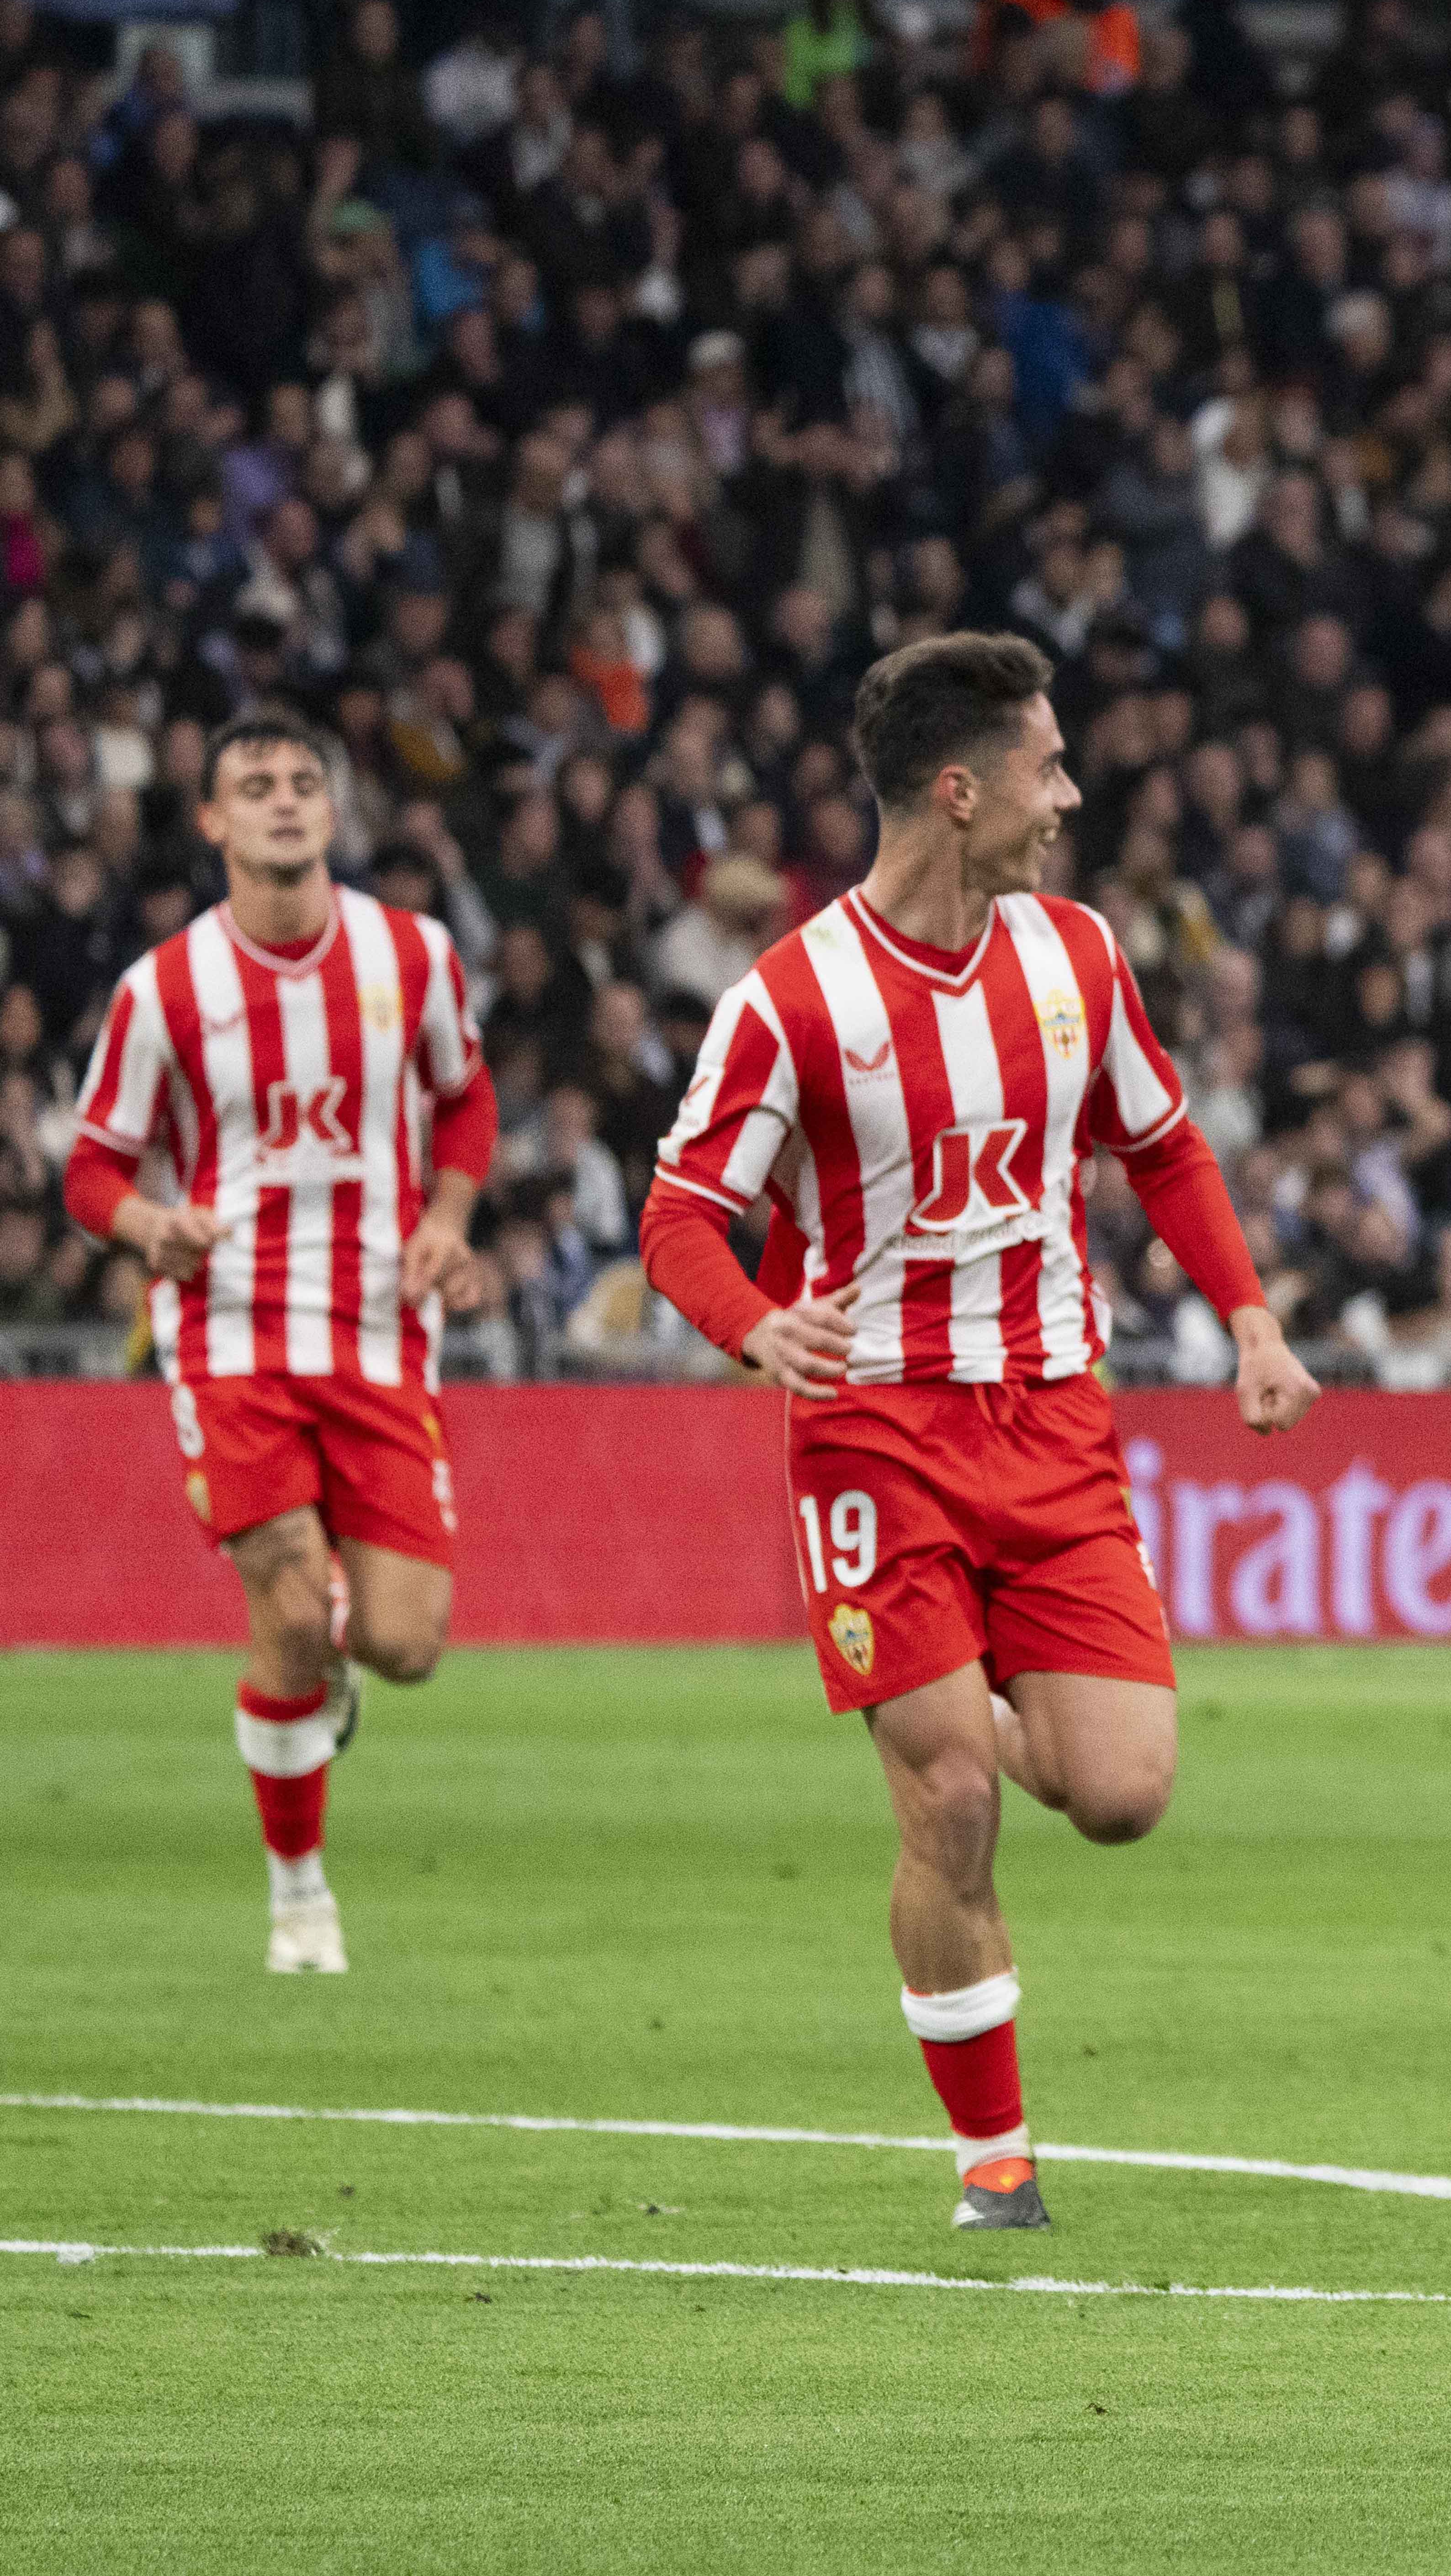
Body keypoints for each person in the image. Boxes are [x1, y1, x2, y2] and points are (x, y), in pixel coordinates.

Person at [638, 634, 1319, 2230]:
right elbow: (680, 1214)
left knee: (1126, 1794)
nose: (1068, 798)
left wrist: (1252, 1317)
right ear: (963, 793)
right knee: (949, 1801)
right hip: (874, 1431)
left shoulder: (1076, 958)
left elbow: (1164, 1151)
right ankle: (994, 2166)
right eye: (1048, 768)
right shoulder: (791, 999)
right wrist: (753, 1324)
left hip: (1055, 1423)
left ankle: (975, 1703)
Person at [63, 712, 498, 1975]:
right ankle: (300, 1893)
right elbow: (92, 1168)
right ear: (212, 823)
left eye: (305, 782)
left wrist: (450, 1219)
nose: (285, 803)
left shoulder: (412, 957)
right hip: (233, 1329)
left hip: (380, 1331)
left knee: (406, 1645)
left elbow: (465, 1098)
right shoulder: (166, 989)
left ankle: (330, 1644)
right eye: (255, 786)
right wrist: (152, 1222)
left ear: (335, 810)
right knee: (293, 1612)